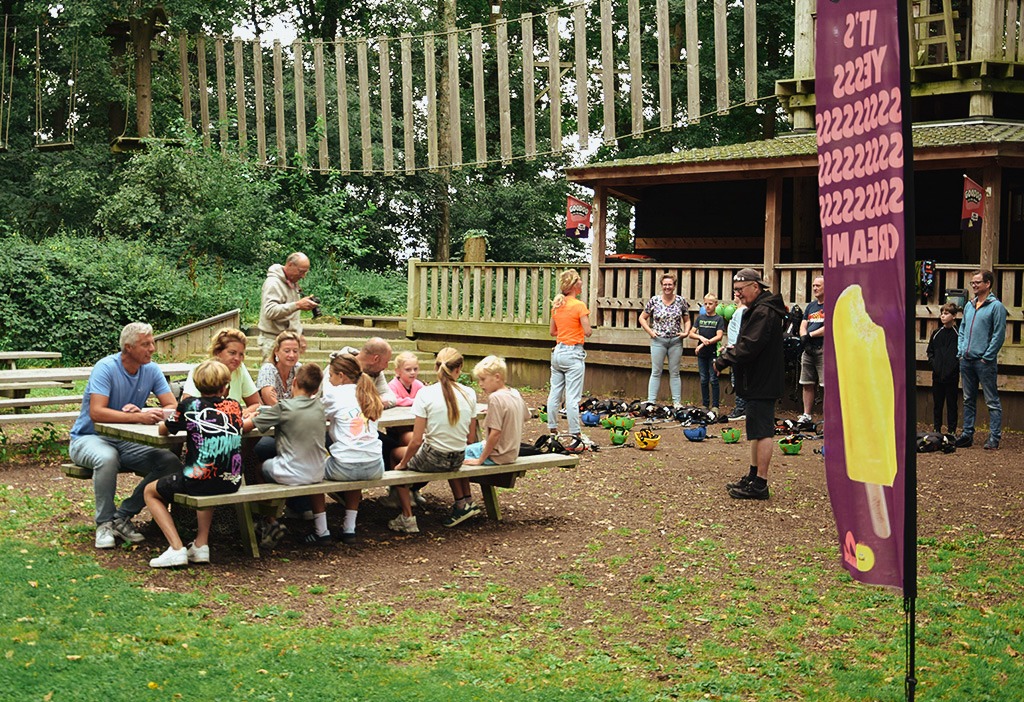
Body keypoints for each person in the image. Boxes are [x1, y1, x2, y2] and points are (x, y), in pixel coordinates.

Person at [68, 322, 182, 549]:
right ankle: (104, 523)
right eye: (145, 344)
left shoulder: (151, 369)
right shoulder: (106, 367)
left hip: (126, 441)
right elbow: (97, 412)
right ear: (128, 348)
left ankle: (122, 516)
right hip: (87, 438)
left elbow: (171, 405)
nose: (152, 349)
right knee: (107, 457)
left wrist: (145, 411)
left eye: (152, 343)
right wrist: (136, 418)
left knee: (170, 462)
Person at [144, 360, 245, 568]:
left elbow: (165, 429)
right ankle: (201, 544)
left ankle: (176, 547)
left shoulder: (189, 406)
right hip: (232, 480)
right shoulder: (235, 406)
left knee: (150, 492)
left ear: (197, 385)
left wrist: (166, 422)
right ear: (225, 386)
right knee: (208, 477)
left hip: (199, 479)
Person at [714, 269, 787, 500]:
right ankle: (753, 476)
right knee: (755, 430)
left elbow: (750, 345)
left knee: (763, 431)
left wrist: (724, 359)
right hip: (757, 378)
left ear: (755, 287)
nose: (738, 295)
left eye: (740, 290)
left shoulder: (764, 311)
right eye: (735, 291)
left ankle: (760, 484)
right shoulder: (758, 308)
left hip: (763, 379)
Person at [389, 347, 477, 534]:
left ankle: (407, 517)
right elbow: (470, 438)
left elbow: (416, 442)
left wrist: (402, 465)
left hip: (433, 457)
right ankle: (463, 501)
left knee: (394, 454)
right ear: (459, 368)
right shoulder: (469, 393)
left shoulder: (425, 394)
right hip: (457, 458)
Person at [252, 364, 328, 546]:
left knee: (258, 467)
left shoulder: (283, 406)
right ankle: (322, 529)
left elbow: (251, 424)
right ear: (317, 389)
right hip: (318, 472)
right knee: (313, 477)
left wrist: (249, 417)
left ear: (294, 382)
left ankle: (269, 520)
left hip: (290, 473)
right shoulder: (319, 407)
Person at [452, 355, 530, 527]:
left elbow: (494, 434)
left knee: (452, 456)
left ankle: (463, 503)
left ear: (497, 377)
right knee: (466, 449)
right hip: (511, 452)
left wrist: (480, 460)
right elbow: (526, 416)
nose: (480, 384)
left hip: (497, 454)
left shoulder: (495, 399)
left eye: (483, 379)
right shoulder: (514, 394)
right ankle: (466, 500)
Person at [321, 352, 386, 544]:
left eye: (331, 376)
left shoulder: (335, 394)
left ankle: (321, 530)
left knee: (311, 471)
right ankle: (349, 528)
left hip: (345, 467)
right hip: (375, 465)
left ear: (341, 376)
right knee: (354, 455)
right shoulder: (368, 393)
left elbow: (315, 413)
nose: (331, 380)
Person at [956, 269, 1007, 450]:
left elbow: (999, 335)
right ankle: (967, 434)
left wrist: (987, 356)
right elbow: (962, 329)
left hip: (984, 362)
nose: (974, 285)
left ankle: (994, 437)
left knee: (991, 401)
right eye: (973, 283)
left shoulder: (996, 307)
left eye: (977, 282)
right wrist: (961, 351)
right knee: (968, 399)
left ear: (988, 284)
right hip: (966, 360)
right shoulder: (969, 306)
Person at [546, 269, 593, 448]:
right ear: (574, 285)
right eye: (579, 280)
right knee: (572, 397)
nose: (582, 282)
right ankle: (576, 435)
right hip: (573, 354)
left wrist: (566, 332)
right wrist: (580, 331)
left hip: (558, 352)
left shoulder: (557, 304)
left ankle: (553, 432)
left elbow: (553, 332)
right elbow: (587, 331)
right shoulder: (579, 305)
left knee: (554, 393)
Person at [181, 328, 261, 417]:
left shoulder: (240, 369)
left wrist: (245, 412)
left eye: (241, 354)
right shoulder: (201, 371)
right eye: (232, 353)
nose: (237, 358)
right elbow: (187, 406)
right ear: (218, 352)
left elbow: (256, 403)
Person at [638, 273, 691, 408]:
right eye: (665, 284)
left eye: (670, 284)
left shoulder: (680, 301)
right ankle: (651, 401)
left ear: (674, 286)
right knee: (656, 371)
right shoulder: (654, 300)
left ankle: (677, 402)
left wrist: (685, 332)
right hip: (658, 340)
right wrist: (650, 332)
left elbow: (687, 319)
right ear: (661, 286)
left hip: (675, 341)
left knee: (675, 372)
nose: (667, 287)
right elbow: (642, 318)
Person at [256, 252, 319, 361]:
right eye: (301, 272)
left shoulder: (292, 282)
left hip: (290, 341)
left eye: (305, 272)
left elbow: (292, 315)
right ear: (290, 265)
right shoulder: (273, 283)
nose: (303, 276)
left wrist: (299, 334)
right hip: (273, 341)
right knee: (272, 376)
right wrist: (298, 305)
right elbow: (270, 311)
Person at [688, 293, 725, 413]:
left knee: (713, 379)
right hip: (702, 354)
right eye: (706, 304)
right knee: (703, 379)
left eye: (710, 304)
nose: (708, 306)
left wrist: (704, 343)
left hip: (713, 352)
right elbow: (691, 333)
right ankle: (705, 404)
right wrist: (701, 338)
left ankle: (715, 406)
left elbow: (719, 336)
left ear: (716, 304)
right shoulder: (700, 318)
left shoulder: (718, 319)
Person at [927, 302, 961, 434]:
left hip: (952, 377)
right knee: (937, 404)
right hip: (937, 376)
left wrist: (953, 368)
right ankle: (937, 429)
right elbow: (930, 352)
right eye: (942, 313)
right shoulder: (936, 333)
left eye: (946, 314)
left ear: (954, 316)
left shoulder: (958, 334)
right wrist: (934, 365)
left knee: (952, 404)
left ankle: (952, 431)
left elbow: (960, 354)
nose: (943, 316)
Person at [798, 276, 825, 425]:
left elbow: (830, 326)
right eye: (813, 285)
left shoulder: (831, 305)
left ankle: (828, 417)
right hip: (808, 350)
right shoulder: (811, 306)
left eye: (818, 285)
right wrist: (804, 337)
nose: (815, 288)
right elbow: (803, 324)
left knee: (825, 385)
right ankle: (806, 415)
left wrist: (810, 335)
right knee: (806, 382)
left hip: (823, 348)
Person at [724, 294, 748, 421]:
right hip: (733, 347)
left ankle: (741, 408)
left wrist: (734, 347)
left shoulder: (741, 312)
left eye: (738, 292)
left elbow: (740, 331)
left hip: (736, 350)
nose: (735, 294)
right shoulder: (739, 311)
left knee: (737, 378)